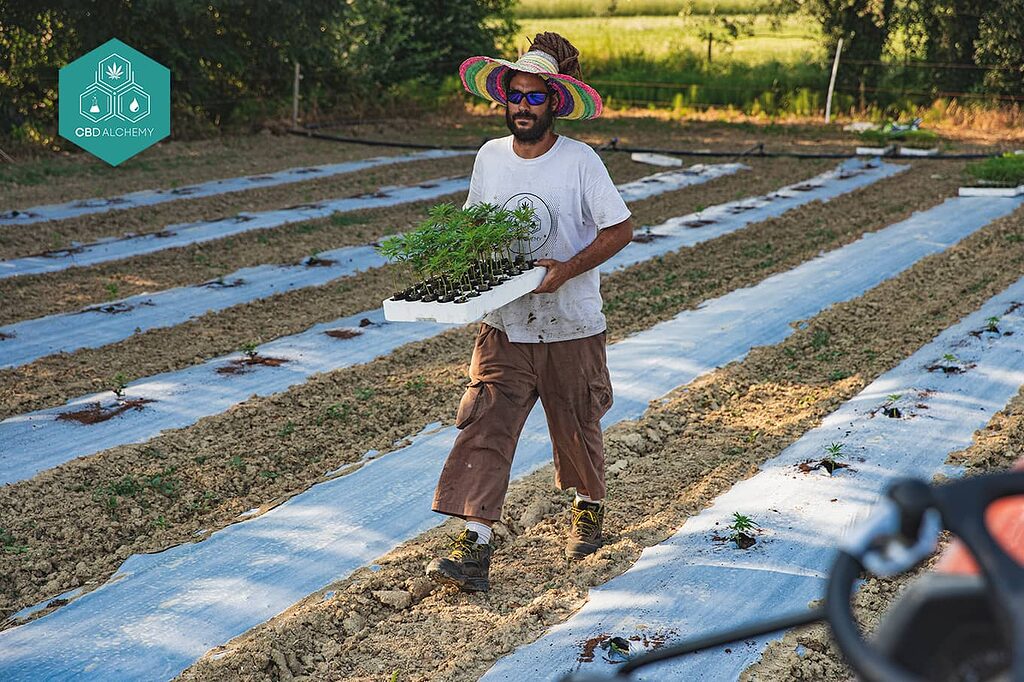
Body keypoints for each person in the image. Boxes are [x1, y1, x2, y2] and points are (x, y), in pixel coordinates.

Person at [426, 32, 635, 593]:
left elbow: (621, 228)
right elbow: (474, 227)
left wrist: (566, 268)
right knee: (485, 424)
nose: (522, 105)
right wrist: (454, 270)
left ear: (553, 103)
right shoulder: (489, 158)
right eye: (514, 95)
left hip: (571, 323)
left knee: (576, 425)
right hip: (505, 324)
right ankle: (474, 549)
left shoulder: (580, 162)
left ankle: (588, 508)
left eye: (533, 97)